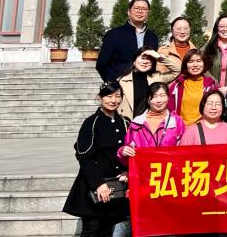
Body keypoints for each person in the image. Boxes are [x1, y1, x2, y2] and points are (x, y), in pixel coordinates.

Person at [62, 81, 131, 237]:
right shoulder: (91, 123)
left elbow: (132, 151)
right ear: (100, 98)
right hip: (94, 187)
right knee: (92, 229)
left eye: (118, 96)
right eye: (109, 96)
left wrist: (128, 171)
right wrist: (99, 184)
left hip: (117, 188)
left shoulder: (126, 122)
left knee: (111, 230)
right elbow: (85, 157)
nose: (113, 100)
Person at [119, 82, 185, 161]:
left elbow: (184, 151)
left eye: (162, 95)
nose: (159, 100)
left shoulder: (177, 122)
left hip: (169, 167)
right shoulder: (137, 123)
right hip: (143, 167)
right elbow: (128, 153)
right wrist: (123, 152)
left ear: (168, 98)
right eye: (154, 96)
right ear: (148, 100)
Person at [96, 0, 157, 81]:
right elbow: (101, 64)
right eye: (136, 8)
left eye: (144, 9)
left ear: (148, 13)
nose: (140, 11)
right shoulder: (114, 34)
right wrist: (112, 82)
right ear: (129, 12)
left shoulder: (152, 36)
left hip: (145, 83)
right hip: (120, 83)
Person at [117, 46, 179, 119]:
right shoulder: (122, 81)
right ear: (134, 61)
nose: (145, 62)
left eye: (149, 59)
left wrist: (159, 57)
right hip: (129, 122)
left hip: (152, 122)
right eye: (143, 58)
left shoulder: (157, 78)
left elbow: (177, 70)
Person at [167, 48, 217, 125]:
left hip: (202, 128)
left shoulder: (211, 85)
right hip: (181, 127)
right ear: (186, 65)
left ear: (204, 63)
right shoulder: (177, 85)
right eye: (191, 61)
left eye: (199, 61)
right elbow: (170, 109)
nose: (195, 65)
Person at [202, 14, 227, 95]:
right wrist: (215, 84)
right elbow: (202, 68)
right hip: (211, 93)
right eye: (221, 26)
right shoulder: (207, 48)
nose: (225, 29)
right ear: (217, 28)